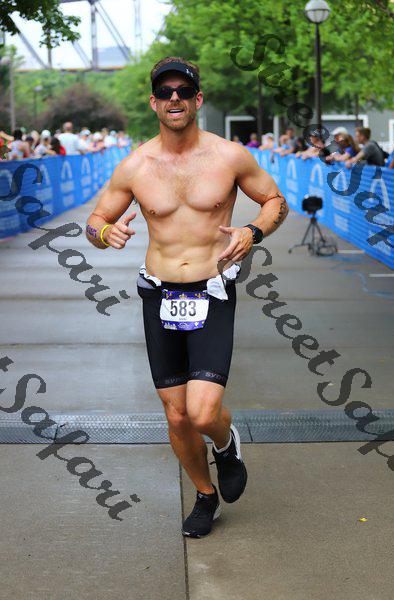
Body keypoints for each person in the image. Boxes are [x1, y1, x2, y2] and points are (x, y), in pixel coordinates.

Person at [86, 56, 288, 539]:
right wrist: (105, 234)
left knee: (201, 412)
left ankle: (226, 443)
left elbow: (275, 201)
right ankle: (204, 494)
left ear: (197, 99)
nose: (174, 98)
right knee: (177, 415)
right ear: (153, 102)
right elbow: (95, 222)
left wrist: (253, 231)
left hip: (211, 290)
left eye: (183, 91)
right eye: (165, 91)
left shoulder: (229, 156)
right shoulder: (136, 165)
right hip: (158, 294)